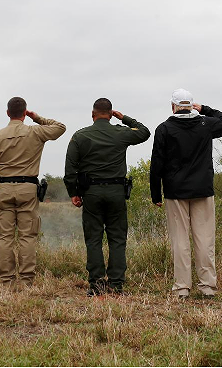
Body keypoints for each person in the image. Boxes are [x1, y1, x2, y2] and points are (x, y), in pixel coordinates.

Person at [149, 88, 222, 299]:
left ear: (173, 106)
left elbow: (157, 163)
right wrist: (205, 109)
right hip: (203, 190)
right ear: (192, 105)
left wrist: (155, 194)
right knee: (205, 239)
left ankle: (182, 288)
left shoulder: (164, 128)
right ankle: (207, 287)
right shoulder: (206, 124)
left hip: (175, 191)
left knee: (180, 240)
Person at [64, 98, 150, 296]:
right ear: (111, 114)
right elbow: (144, 132)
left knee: (93, 239)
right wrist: (125, 118)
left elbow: (70, 169)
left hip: (91, 193)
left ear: (92, 114)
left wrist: (74, 193)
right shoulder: (120, 133)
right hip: (116, 192)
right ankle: (116, 285)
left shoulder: (80, 136)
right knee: (117, 239)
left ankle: (96, 284)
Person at [0, 97, 66, 288]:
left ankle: (6, 280)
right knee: (27, 236)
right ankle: (26, 280)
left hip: (3, 190)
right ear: (25, 113)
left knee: (5, 237)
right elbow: (60, 127)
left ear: (8, 113)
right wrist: (37, 118)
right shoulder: (35, 132)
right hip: (28, 189)